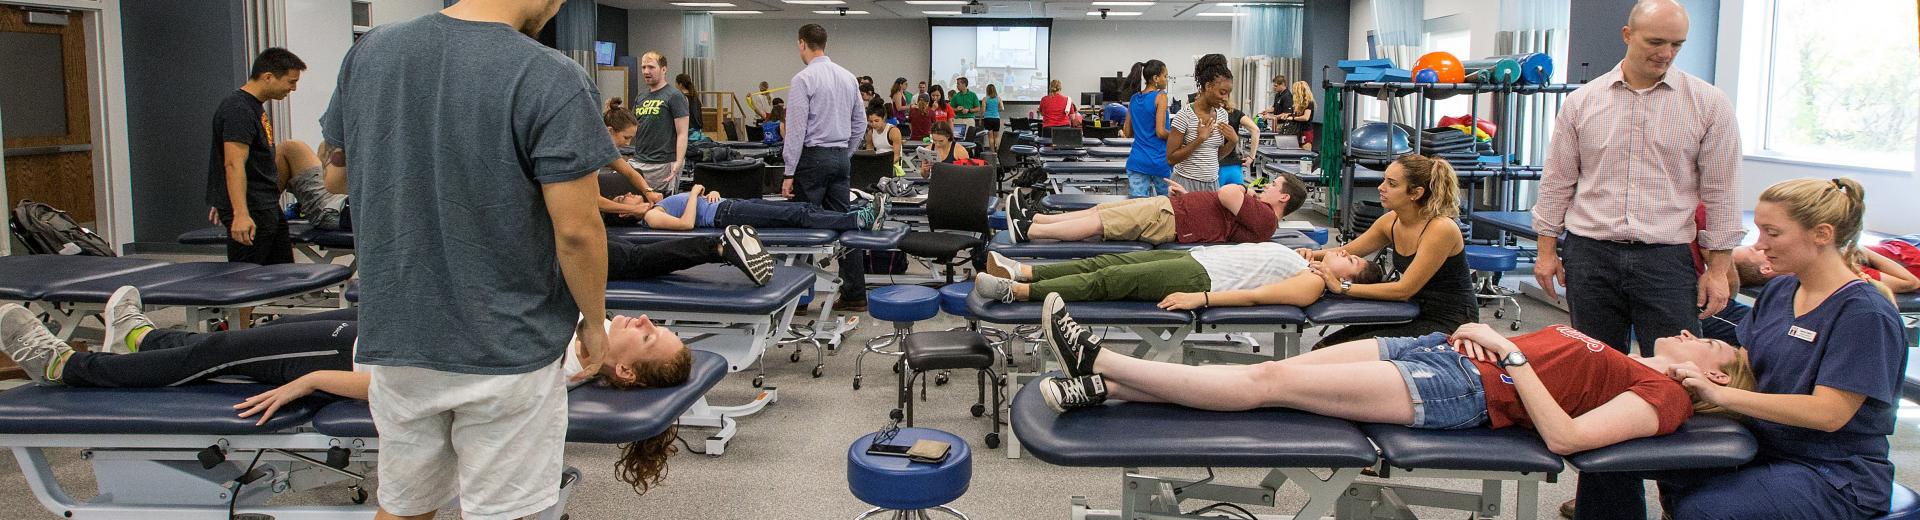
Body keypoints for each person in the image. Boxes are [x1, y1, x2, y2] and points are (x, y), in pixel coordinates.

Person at [317, 1, 616, 517]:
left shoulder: (369, 53)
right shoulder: (550, 75)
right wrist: (593, 322)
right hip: (505, 345)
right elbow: (577, 231)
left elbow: (334, 175)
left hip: (398, 335)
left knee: (404, 505)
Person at [0, 284, 707, 496]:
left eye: (648, 337)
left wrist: (312, 380)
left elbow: (411, 388)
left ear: (622, 372)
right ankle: (142, 341)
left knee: (215, 357)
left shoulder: (554, 365)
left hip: (357, 355)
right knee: (225, 355)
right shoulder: (583, 330)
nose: (643, 319)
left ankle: (60, 366)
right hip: (381, 324)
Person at [1032, 295, 1756, 457]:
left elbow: (1565, 437)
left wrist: (1505, 355)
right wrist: (1481, 338)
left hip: (1464, 392)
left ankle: (1098, 360)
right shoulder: (1640, 358)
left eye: (1710, 346)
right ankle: (1111, 389)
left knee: (1266, 387)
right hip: (1445, 352)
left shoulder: (1663, 394)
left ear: (1716, 376)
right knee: (1275, 366)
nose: (1694, 334)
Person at [1574, 178, 1907, 520]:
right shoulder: (1782, 291)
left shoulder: (1863, 314)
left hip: (1834, 473)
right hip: (1763, 442)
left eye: (1772, 233)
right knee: (1617, 459)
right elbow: (1748, 359)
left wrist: (1721, 396)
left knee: (1704, 510)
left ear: (1822, 234)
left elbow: (1829, 414)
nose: (1759, 245)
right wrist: (1678, 366)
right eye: (1759, 231)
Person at [1531, 0, 1741, 358]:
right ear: (1628, 35)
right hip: (1591, 253)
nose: (1666, 53)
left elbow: (1722, 193)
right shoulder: (1583, 102)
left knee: (1677, 367)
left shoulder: (1709, 104)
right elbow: (1557, 181)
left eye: (1677, 45)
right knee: (1596, 363)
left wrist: (1719, 270)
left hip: (1666, 258)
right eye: (1656, 42)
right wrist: (1546, 251)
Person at [1296, 155, 1475, 348]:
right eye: (1384, 180)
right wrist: (1304, 254)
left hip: (1448, 320)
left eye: (1392, 184)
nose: (1381, 187)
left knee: (1333, 352)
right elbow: (1348, 250)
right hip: (1409, 309)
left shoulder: (1440, 228)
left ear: (1415, 192)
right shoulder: (1391, 220)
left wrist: (1342, 288)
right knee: (1325, 347)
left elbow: (1404, 289)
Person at [971, 244, 1380, 307]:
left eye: (1354, 261)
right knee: (1105, 262)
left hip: (1202, 279)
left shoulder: (1309, 283)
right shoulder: (1310, 261)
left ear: (1352, 281)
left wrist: (1198, 300)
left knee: (1107, 282)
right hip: (1198, 256)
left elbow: (1257, 297)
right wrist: (1326, 258)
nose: (1347, 252)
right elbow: (1329, 256)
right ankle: (1024, 267)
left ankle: (1018, 291)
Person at [779, 24, 869, 312]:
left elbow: (795, 130)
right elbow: (861, 124)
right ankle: (855, 295)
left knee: (800, 228)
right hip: (840, 157)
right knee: (844, 224)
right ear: (824, 44)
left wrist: (789, 172)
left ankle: (799, 301)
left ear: (802, 44)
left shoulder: (803, 78)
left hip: (811, 160)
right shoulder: (847, 77)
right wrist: (845, 152)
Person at [206, 48, 305, 266]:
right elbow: (233, 163)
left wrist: (223, 194)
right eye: (290, 82)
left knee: (282, 275)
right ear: (268, 76)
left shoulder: (254, 107)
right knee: (246, 279)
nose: (293, 88)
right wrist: (239, 212)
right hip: (251, 208)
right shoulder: (238, 109)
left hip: (266, 204)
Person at [1005, 178, 1305, 246]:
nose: (1266, 186)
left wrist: (1243, 188)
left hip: (1170, 220)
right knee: (1102, 209)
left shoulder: (1266, 218)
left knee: (1101, 222)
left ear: (1284, 196)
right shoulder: (1259, 214)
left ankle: (1030, 231)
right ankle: (1036, 218)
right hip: (1174, 211)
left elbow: (1227, 192)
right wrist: (1189, 196)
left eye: (1273, 185)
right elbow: (1225, 216)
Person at [618, 183, 888, 232]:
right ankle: (857, 221)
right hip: (725, 216)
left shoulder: (657, 204)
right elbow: (687, 224)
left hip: (727, 206)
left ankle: (853, 216)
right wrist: (694, 194)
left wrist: (710, 192)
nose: (629, 193)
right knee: (796, 214)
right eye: (623, 198)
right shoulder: (652, 216)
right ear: (623, 213)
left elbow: (695, 207)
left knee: (801, 207)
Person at [1731, 240, 1920, 293]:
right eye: (1754, 249)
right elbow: (1909, 282)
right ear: (1766, 268)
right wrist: (1857, 247)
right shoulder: (1838, 270)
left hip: (1898, 246)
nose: (1760, 243)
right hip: (1909, 259)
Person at [1166, 55, 1237, 193]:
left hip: (1212, 184)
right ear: (1208, 86)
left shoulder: (1222, 115)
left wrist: (1233, 142)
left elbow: (1214, 156)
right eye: (1222, 92)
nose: (1226, 98)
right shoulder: (1184, 115)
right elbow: (1170, 158)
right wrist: (1200, 139)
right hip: (1185, 182)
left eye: (1228, 93)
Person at [632, 51, 692, 193]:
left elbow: (682, 133)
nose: (646, 71)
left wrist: (678, 162)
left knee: (661, 206)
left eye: (651, 67)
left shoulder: (674, 96)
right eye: (643, 67)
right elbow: (632, 128)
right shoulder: (640, 97)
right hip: (640, 160)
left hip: (664, 162)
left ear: (664, 69)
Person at [277, 139, 351, 231]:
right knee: (326, 145)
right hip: (351, 207)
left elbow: (333, 185)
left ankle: (261, 218)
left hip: (345, 211)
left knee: (290, 148)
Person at [1123, 60, 1172, 198]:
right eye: (1165, 76)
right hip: (1159, 160)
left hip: (1137, 161)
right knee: (1167, 206)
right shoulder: (1161, 96)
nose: (1166, 80)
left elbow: (1127, 133)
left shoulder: (1133, 99)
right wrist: (1178, 135)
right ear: (1156, 78)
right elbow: (1161, 132)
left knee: (1139, 209)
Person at [1218, 98, 1259, 187]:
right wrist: (1251, 157)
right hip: (1234, 168)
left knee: (1211, 200)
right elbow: (1256, 130)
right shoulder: (1235, 113)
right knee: (1238, 199)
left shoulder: (1207, 114)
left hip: (1216, 169)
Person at [864, 104, 904, 170]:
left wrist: (881, 165)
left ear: (883, 118)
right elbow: (869, 154)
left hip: (893, 165)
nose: (873, 124)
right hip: (878, 164)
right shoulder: (870, 133)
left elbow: (897, 156)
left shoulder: (893, 131)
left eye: (876, 121)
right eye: (870, 121)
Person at [675, 73, 707, 142]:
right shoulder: (696, 97)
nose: (675, 86)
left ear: (680, 84)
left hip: (688, 133)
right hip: (698, 133)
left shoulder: (680, 98)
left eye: (676, 83)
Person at [1286, 81, 1317, 149]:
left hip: (1306, 131)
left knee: (1305, 155)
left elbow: (1306, 117)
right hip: (1297, 131)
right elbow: (1297, 115)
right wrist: (1289, 115)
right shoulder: (1297, 104)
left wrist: (1293, 118)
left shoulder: (1309, 102)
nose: (1293, 93)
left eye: (1295, 91)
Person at [981, 84, 1003, 149]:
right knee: (996, 137)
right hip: (996, 119)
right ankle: (998, 152)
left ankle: (992, 153)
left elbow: (983, 110)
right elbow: (1002, 108)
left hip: (987, 119)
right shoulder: (998, 99)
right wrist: (996, 109)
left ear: (987, 90)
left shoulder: (985, 99)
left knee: (990, 137)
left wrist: (980, 118)